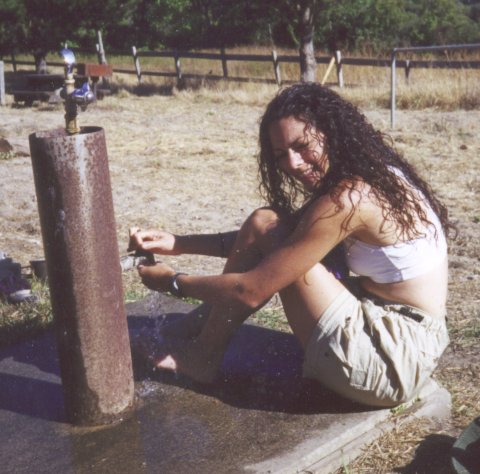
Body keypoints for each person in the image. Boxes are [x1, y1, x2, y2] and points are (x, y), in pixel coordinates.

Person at [128, 83, 452, 408]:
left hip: (391, 360)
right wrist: (179, 243)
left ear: (331, 134)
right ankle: (198, 339)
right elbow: (268, 236)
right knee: (264, 223)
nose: (294, 163)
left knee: (275, 254)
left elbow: (250, 289)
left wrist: (172, 282)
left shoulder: (350, 199)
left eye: (302, 146)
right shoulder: (370, 176)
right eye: (281, 154)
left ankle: (201, 353)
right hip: (404, 338)